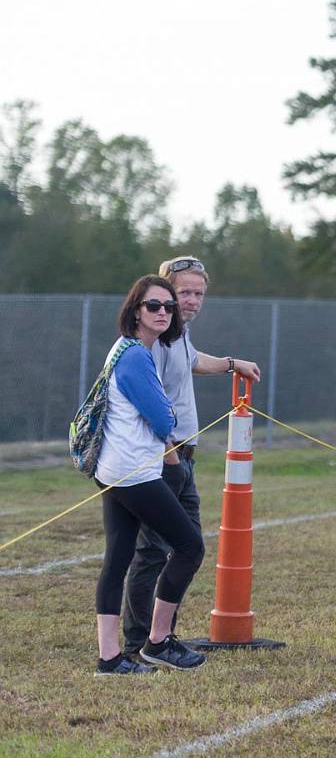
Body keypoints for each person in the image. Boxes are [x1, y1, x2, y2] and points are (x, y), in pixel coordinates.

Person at [120, 256, 260, 658]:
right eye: (184, 292)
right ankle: (140, 641)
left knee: (186, 546)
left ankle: (160, 637)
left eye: (199, 293)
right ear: (163, 293)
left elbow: (194, 361)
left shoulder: (179, 333)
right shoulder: (159, 337)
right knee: (155, 550)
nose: (193, 300)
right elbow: (151, 400)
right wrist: (168, 455)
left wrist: (234, 364)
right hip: (167, 457)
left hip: (183, 456)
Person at [93, 276, 207, 674]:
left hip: (116, 468)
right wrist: (170, 418)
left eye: (168, 307)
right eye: (153, 306)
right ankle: (157, 642)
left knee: (118, 558)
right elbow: (162, 418)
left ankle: (109, 658)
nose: (162, 312)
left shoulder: (131, 350)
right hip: (133, 472)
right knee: (190, 548)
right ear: (135, 311)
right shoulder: (136, 355)